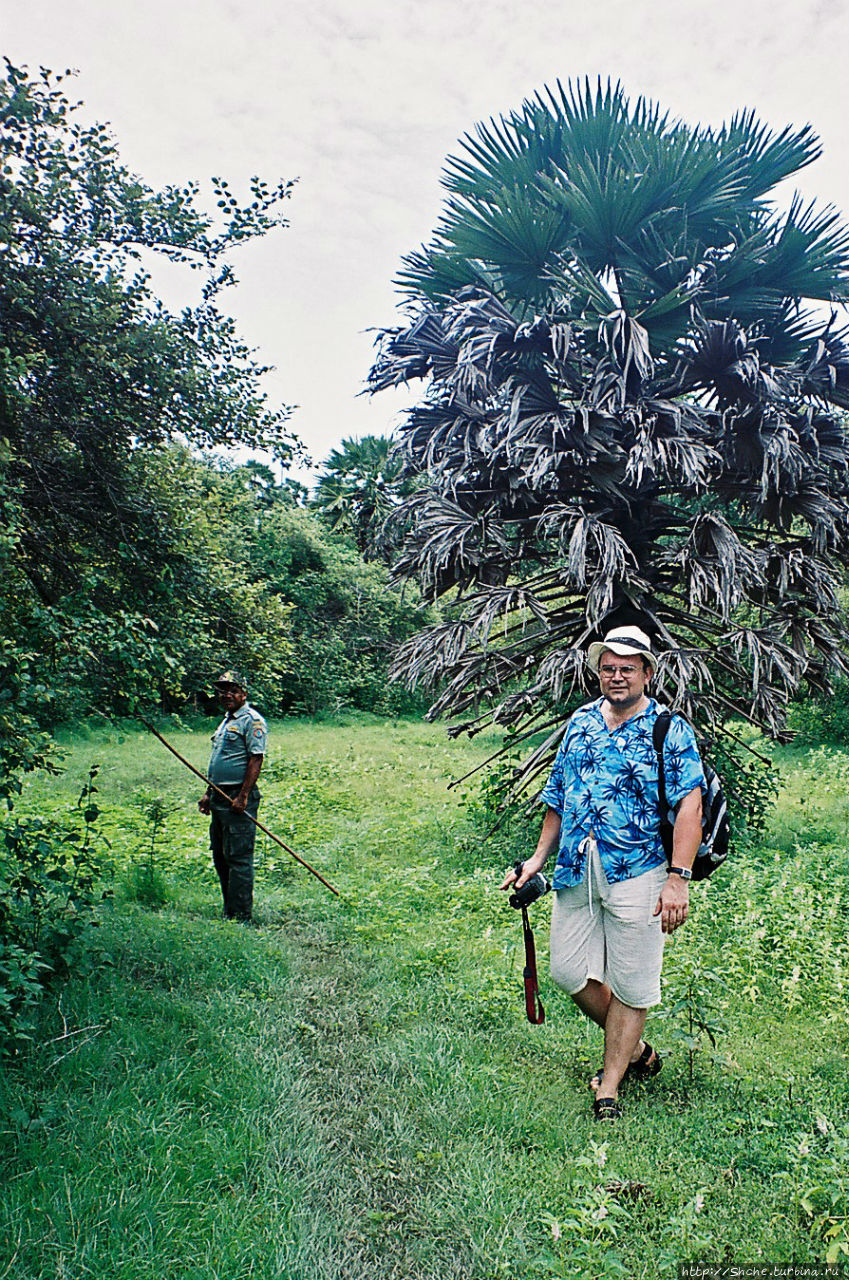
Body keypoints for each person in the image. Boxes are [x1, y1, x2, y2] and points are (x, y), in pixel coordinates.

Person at [500, 625, 705, 1121]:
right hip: (578, 865)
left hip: (640, 870)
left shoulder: (669, 729)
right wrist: (536, 860)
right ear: (598, 673)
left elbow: (689, 806)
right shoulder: (581, 723)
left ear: (647, 673)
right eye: (608, 668)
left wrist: (678, 879)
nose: (617, 676)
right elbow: (558, 798)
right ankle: (636, 1051)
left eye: (627, 669)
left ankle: (609, 1084)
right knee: (566, 970)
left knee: (633, 982)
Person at [198, 670, 267, 923]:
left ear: (243, 694)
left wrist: (243, 796)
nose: (226, 694)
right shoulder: (226, 721)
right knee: (221, 854)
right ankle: (229, 910)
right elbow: (218, 760)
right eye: (222, 690)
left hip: (237, 797)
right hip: (218, 796)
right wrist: (208, 793)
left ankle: (241, 916)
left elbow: (255, 759)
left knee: (238, 857)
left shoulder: (252, 720)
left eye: (232, 690)